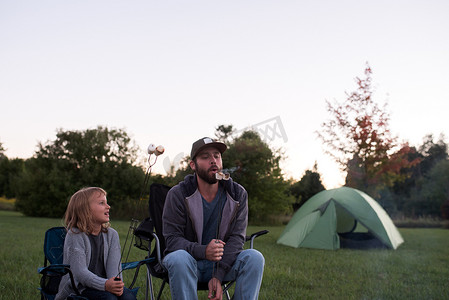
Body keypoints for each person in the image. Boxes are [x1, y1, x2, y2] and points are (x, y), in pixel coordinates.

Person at [162, 137, 265, 300]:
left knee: (254, 257)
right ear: (193, 165)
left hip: (223, 264)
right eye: (205, 157)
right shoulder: (178, 194)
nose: (213, 161)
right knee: (178, 258)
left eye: (216, 155)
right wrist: (203, 251)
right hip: (189, 264)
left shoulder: (237, 194)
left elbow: (237, 238)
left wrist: (218, 274)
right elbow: (173, 240)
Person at [55, 187, 136, 300]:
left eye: (106, 203)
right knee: (109, 299)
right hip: (79, 289)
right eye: (102, 203)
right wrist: (105, 285)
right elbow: (80, 273)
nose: (108, 206)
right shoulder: (75, 235)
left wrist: (116, 286)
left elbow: (114, 270)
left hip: (106, 286)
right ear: (85, 210)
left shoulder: (112, 235)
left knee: (128, 296)